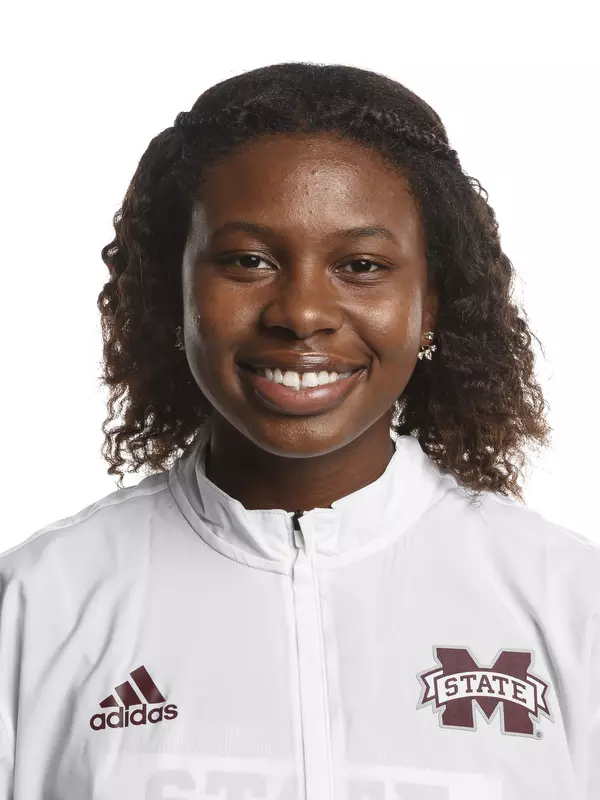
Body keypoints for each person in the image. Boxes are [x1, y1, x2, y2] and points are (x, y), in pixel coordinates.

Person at [0, 62, 597, 800]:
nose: (302, 312)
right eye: (248, 261)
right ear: (173, 290)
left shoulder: (569, 601)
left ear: (432, 304)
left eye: (361, 265)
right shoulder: (38, 603)